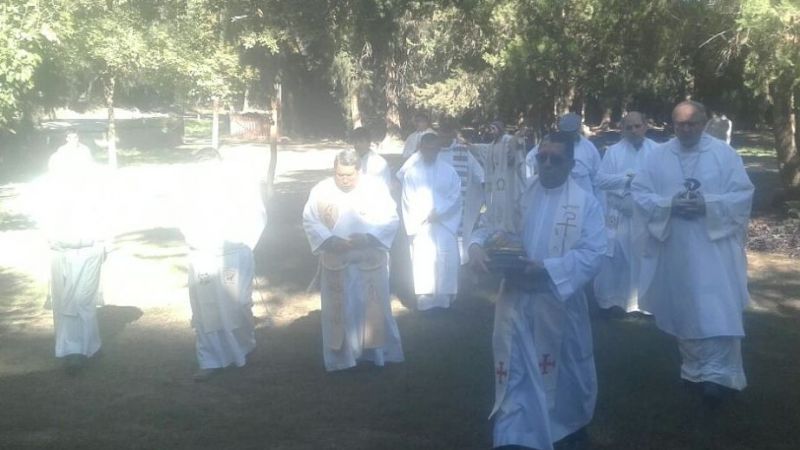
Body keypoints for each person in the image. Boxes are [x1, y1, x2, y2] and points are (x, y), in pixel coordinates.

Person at [470, 131, 607, 450]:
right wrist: (476, 245)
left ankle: (565, 426)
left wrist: (547, 268)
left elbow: (594, 253)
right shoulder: (521, 195)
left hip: (556, 301)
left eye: (555, 158)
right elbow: (490, 223)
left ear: (570, 164)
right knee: (515, 365)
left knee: (564, 369)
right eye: (541, 157)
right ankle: (515, 433)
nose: (546, 164)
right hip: (515, 299)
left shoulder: (584, 203)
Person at [632, 101, 753, 407]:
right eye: (679, 124)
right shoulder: (659, 156)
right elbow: (640, 193)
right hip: (678, 245)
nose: (685, 130)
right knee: (685, 306)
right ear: (672, 124)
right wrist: (669, 204)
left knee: (718, 306)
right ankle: (694, 371)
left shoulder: (724, 155)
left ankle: (721, 375)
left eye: (692, 124)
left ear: (704, 123)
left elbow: (742, 195)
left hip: (715, 247)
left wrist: (707, 206)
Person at [180, 149, 267, 381]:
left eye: (211, 167)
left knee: (235, 304)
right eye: (202, 168)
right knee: (206, 310)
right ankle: (210, 359)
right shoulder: (189, 191)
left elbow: (257, 215)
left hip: (232, 258)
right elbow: (182, 218)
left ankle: (245, 347)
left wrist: (244, 244)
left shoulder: (238, 187)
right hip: (204, 258)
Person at [42, 130, 107, 374]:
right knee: (66, 302)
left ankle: (89, 345)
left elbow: (106, 214)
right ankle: (73, 350)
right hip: (61, 250)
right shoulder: (51, 186)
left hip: (90, 248)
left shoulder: (95, 186)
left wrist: (104, 243)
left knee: (83, 299)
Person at [593, 112, 657, 315]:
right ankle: (614, 300)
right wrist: (627, 179)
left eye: (637, 126)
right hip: (619, 213)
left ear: (646, 126)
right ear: (622, 129)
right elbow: (600, 180)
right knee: (617, 258)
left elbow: (663, 180)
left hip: (647, 215)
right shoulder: (613, 152)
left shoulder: (658, 151)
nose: (634, 131)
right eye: (628, 127)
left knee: (645, 257)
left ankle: (644, 303)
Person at [397, 120, 485, 263]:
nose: (443, 137)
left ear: (452, 134)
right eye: (441, 133)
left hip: (452, 214)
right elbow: (402, 176)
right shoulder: (425, 152)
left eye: (447, 133)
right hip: (424, 217)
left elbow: (480, 176)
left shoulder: (462, 152)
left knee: (452, 258)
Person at [401, 133, 462, 311]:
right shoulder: (412, 173)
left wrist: (440, 211)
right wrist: (425, 215)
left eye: (433, 149)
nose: (430, 153)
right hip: (422, 223)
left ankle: (444, 297)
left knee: (445, 257)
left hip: (444, 223)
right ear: (421, 149)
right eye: (426, 149)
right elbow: (408, 198)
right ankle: (425, 298)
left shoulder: (449, 171)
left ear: (438, 150)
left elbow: (455, 196)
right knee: (424, 259)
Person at [469, 121, 527, 235]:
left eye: (493, 128)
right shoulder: (491, 146)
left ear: (500, 129)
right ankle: (496, 228)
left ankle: (509, 228)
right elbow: (480, 149)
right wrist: (469, 145)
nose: (491, 131)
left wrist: (516, 139)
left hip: (508, 179)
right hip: (496, 181)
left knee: (508, 203)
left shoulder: (507, 140)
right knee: (495, 203)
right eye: (490, 129)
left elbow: (516, 148)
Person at [526, 113, 602, 195]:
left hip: (582, 201)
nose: (569, 135)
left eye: (572, 131)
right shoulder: (549, 144)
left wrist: (598, 202)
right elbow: (529, 161)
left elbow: (598, 178)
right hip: (554, 198)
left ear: (579, 129)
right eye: (566, 132)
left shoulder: (589, 148)